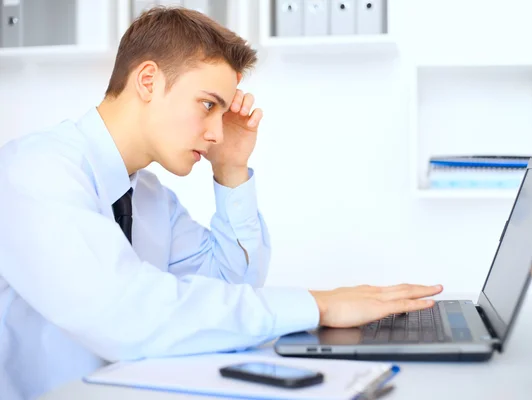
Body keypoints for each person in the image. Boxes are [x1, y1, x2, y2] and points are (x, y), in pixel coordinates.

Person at [0, 7, 443, 400]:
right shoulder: (34, 173)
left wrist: (230, 169)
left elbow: (232, 286)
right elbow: (126, 315)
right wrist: (319, 304)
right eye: (207, 105)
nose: (216, 132)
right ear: (148, 81)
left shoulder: (150, 197)